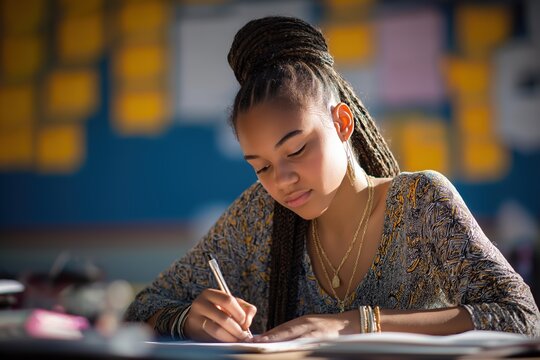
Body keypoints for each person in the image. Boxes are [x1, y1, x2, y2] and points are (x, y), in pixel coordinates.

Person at [124, 16, 540, 341]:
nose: (282, 180)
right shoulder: (257, 220)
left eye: (297, 149)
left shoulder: (420, 203)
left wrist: (353, 324)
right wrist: (189, 320)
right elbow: (142, 306)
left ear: (342, 122)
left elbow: (519, 315)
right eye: (262, 166)